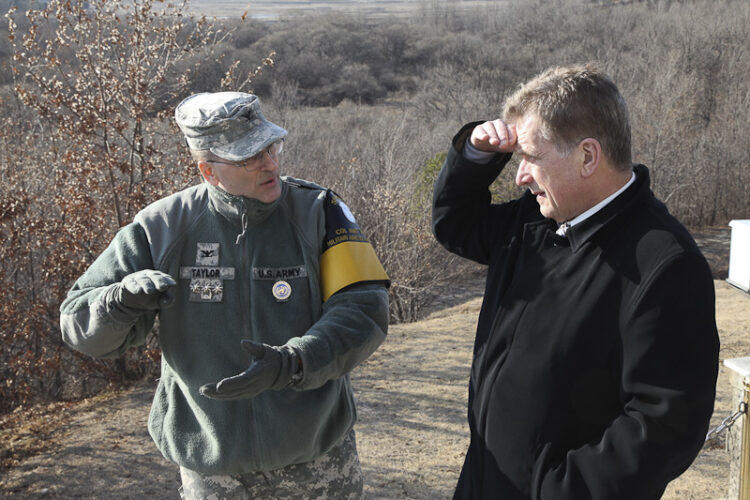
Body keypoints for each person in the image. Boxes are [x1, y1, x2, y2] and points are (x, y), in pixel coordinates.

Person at [60, 92, 390, 499]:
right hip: (213, 473)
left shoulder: (320, 211)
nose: (270, 163)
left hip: (318, 460)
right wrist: (118, 302)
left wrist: (294, 362)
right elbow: (77, 323)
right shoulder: (160, 227)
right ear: (208, 170)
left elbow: (364, 310)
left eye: (271, 146)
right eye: (249, 156)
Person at [432, 64, 719, 499]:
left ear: (588, 156)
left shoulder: (664, 264)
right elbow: (455, 225)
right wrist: (476, 152)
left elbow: (663, 423)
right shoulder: (536, 220)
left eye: (531, 157)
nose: (520, 176)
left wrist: (555, 490)